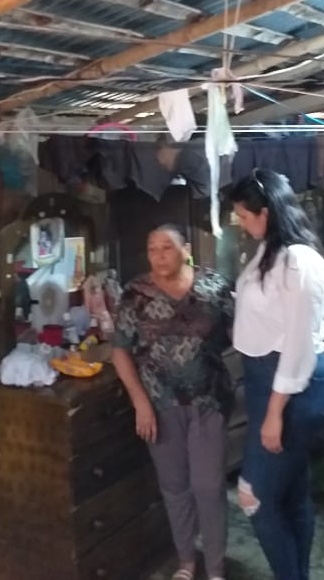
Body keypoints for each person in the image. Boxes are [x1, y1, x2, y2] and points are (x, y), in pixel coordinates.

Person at [112, 225, 234, 580]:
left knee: (209, 486)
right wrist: (140, 402)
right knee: (175, 486)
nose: (159, 255)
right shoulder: (135, 293)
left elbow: (241, 333)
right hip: (159, 404)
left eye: (167, 247)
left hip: (209, 399)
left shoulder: (215, 287)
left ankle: (215, 568)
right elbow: (120, 350)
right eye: (152, 249)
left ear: (187, 250)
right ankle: (186, 562)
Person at [230, 170, 324, 580]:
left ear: (267, 213)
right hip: (268, 382)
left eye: (244, 216)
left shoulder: (297, 262)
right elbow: (269, 313)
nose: (241, 224)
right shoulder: (270, 252)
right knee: (291, 493)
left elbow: (298, 343)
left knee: (253, 495)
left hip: (291, 387)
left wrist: (275, 412)